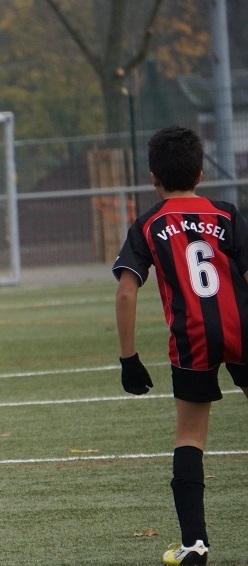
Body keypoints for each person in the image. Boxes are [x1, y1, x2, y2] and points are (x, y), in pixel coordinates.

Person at [113, 125, 248, 566]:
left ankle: (195, 545)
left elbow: (126, 292)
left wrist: (129, 358)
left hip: (193, 339)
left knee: (190, 436)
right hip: (242, 329)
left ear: (153, 177)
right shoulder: (227, 215)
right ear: (201, 173)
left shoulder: (149, 224)